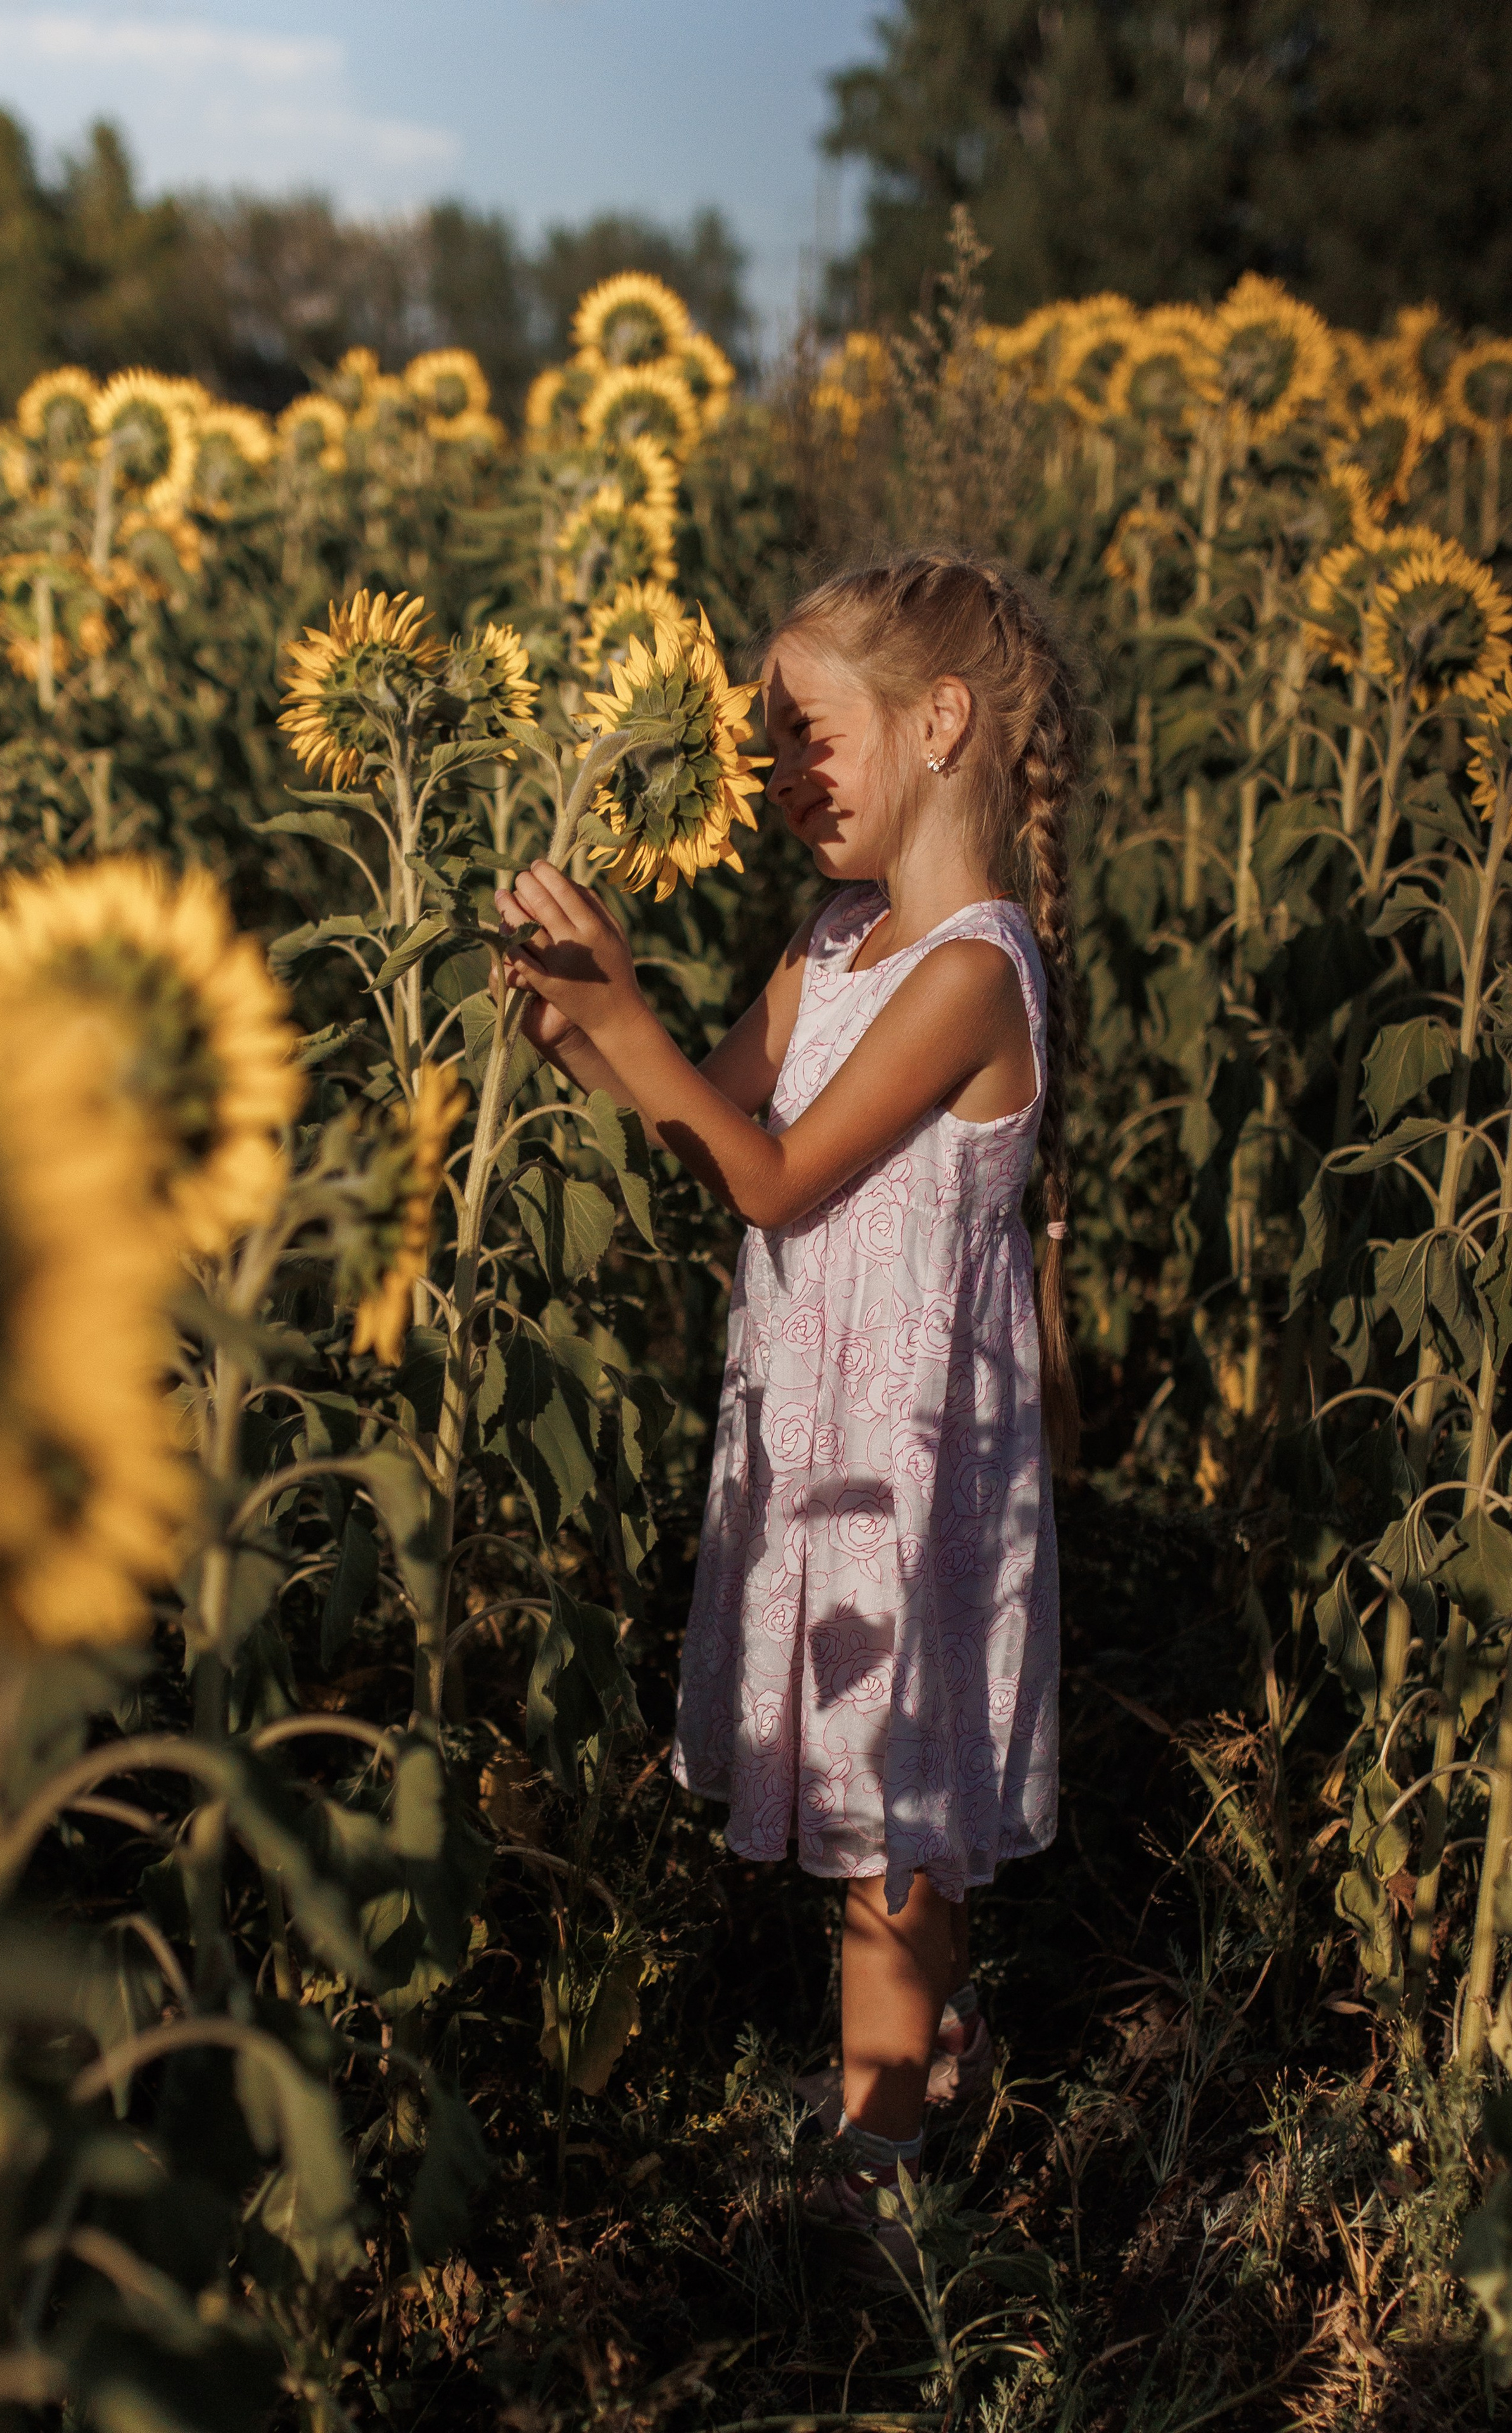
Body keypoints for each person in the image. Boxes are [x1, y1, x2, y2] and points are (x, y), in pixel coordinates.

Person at [495, 550, 1081, 2259]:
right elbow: (707, 1114)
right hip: (820, 1433)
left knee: (895, 1817)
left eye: (806, 732)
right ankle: (932, 2046)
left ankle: (880, 2168)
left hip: (913, 1459)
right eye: (765, 744)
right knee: (894, 1792)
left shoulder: (972, 973)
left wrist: (625, 1018)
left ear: (940, 720)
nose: (776, 775)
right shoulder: (832, 947)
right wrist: (579, 1022)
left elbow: (770, 1177)